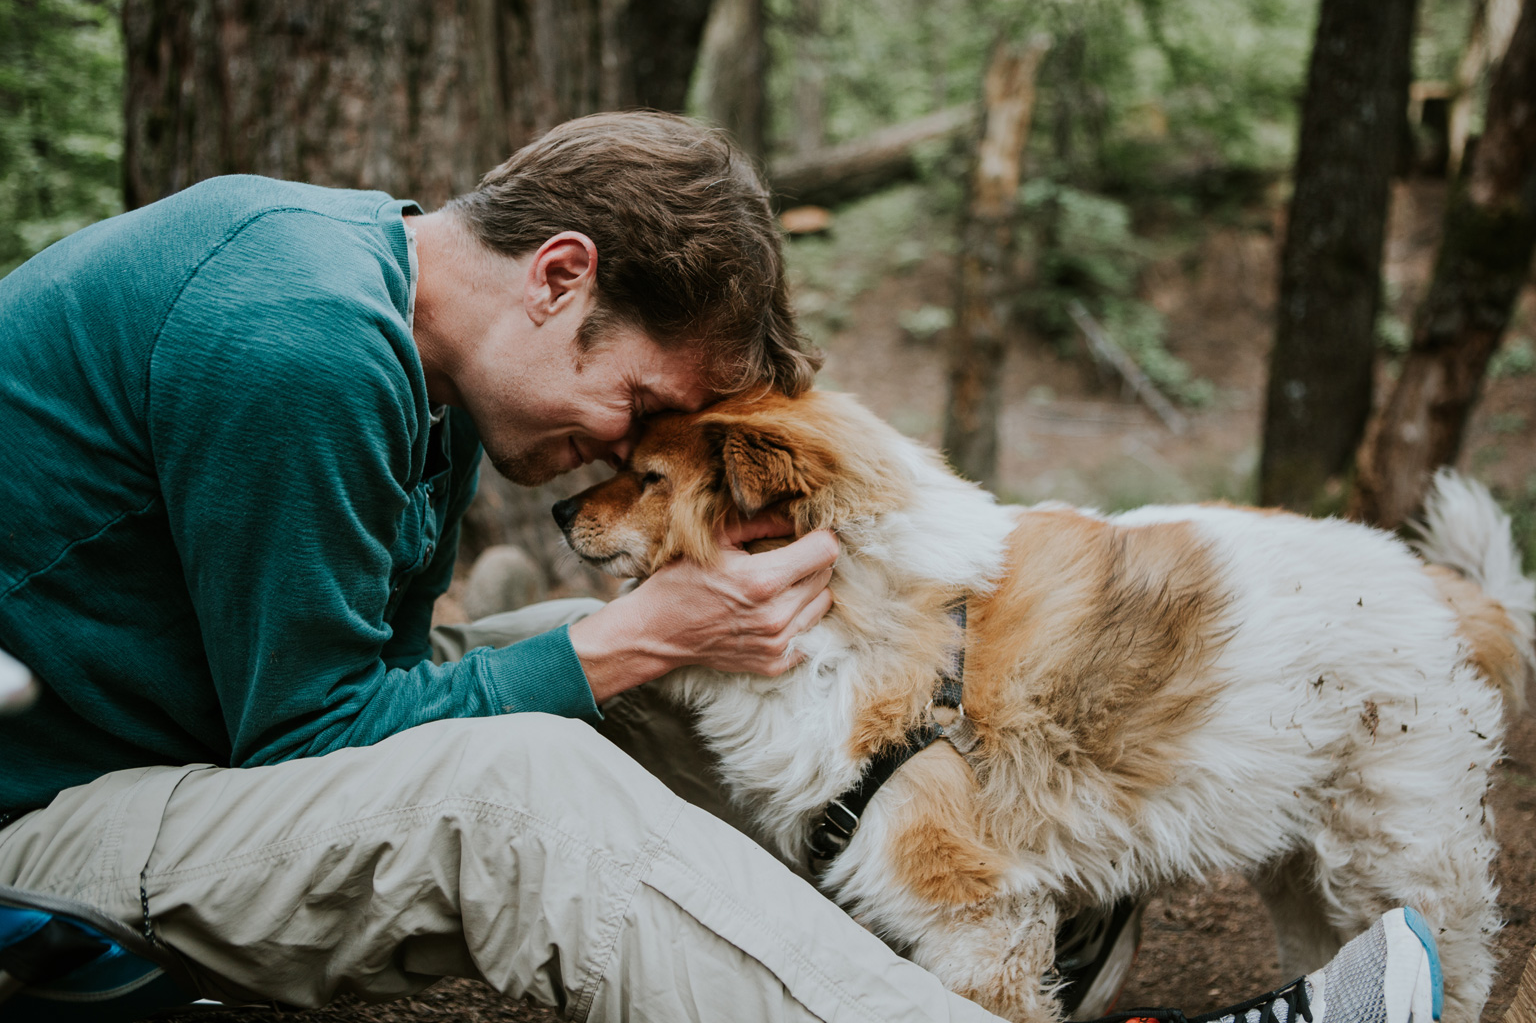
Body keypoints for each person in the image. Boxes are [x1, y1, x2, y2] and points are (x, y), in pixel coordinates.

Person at [0, 110, 1433, 1023]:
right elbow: (311, 737)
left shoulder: (395, 331)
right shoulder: (294, 336)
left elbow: (354, 685)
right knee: (542, 757)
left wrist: (651, 636)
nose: (612, 455)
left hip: (158, 760)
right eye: (631, 409)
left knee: (620, 643)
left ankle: (973, 934)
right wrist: (632, 639)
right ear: (561, 279)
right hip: (38, 833)